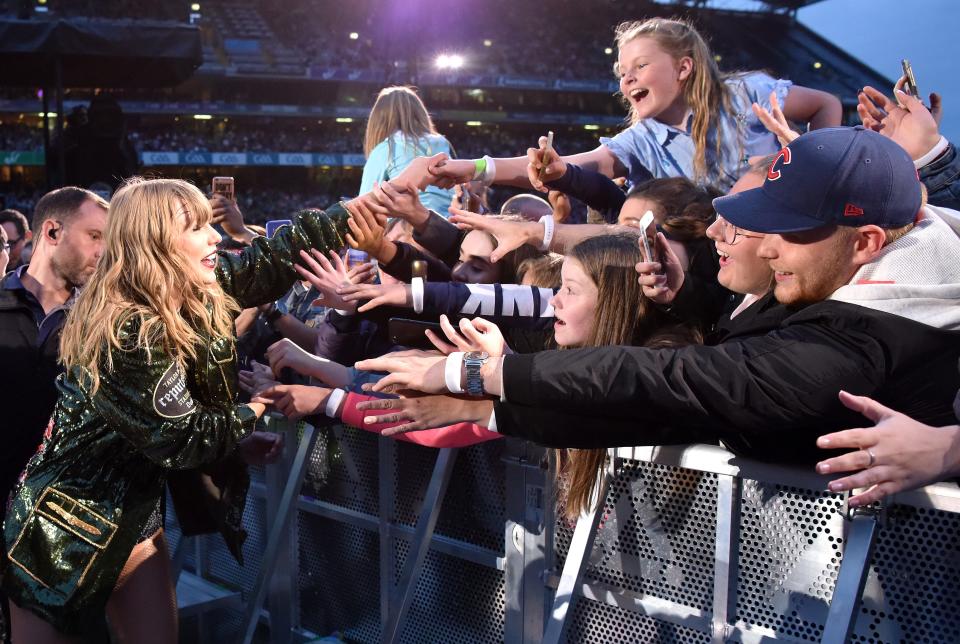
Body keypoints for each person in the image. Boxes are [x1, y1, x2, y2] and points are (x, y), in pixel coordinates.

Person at [353, 127, 960, 466]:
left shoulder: (866, 338)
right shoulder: (845, 281)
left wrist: (478, 374)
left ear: (868, 242)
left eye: (785, 230)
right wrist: (488, 406)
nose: (766, 248)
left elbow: (666, 381)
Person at [2, 178, 350, 642]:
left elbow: (266, 263)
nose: (216, 238)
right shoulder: (129, 326)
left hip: (134, 520)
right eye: (198, 227)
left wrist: (379, 201)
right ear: (156, 242)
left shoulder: (176, 293)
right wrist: (256, 407)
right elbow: (183, 437)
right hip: (59, 533)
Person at [416, 17, 840, 193]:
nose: (627, 78)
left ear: (683, 67)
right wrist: (474, 169)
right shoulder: (642, 139)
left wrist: (815, 169)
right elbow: (577, 163)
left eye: (640, 65)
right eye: (622, 72)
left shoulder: (746, 93)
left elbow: (825, 103)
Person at [0, 187, 108, 644]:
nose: (104, 252)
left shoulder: (104, 322)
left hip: (71, 535)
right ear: (51, 231)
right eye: (94, 236)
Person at [359, 86, 454, 214]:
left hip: (408, 227)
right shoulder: (443, 144)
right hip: (449, 225)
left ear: (378, 121)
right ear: (420, 114)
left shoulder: (386, 148)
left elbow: (362, 206)